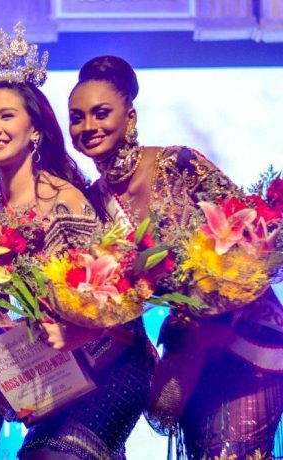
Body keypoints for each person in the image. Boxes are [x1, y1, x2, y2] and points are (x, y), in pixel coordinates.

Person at [68, 54, 283, 459]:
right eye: (77, 118)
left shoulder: (177, 163)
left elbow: (253, 231)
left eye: (101, 113)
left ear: (130, 117)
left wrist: (223, 305)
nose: (88, 127)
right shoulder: (96, 202)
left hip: (249, 341)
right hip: (191, 357)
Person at [0, 20, 157, 460]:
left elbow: (122, 299)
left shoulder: (63, 199)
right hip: (57, 377)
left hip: (113, 364)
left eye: (6, 115)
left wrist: (75, 332)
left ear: (35, 130)